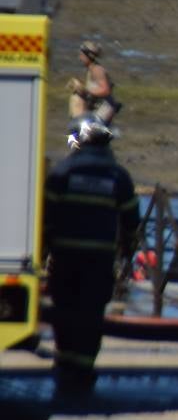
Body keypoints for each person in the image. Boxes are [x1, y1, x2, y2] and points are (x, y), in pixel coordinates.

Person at [43, 115, 140, 398]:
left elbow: (45, 217)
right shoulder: (118, 176)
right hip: (99, 261)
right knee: (91, 316)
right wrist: (126, 254)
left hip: (65, 258)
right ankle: (83, 372)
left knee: (64, 312)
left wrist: (46, 250)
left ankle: (65, 365)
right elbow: (131, 221)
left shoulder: (62, 173)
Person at [68, 40, 120, 125]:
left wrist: (85, 90)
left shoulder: (97, 70)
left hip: (103, 112)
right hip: (96, 110)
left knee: (76, 98)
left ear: (88, 56)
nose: (79, 58)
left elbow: (105, 90)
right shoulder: (91, 69)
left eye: (82, 55)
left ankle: (79, 125)